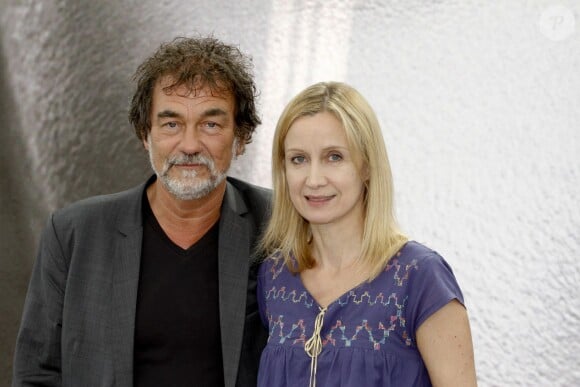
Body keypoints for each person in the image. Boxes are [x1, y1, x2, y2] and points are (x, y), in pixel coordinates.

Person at [13, 36, 270, 387]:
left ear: (240, 137)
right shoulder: (73, 233)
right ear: (145, 134)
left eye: (211, 124)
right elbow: (36, 373)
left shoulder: (277, 226)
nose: (190, 145)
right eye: (171, 124)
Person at [257, 81, 477, 387]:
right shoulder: (275, 277)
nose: (314, 179)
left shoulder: (420, 277)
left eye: (334, 157)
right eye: (299, 159)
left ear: (367, 166)